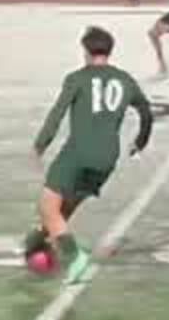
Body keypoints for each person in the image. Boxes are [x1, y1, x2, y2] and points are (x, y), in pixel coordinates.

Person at [26, 25, 153, 284]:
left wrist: (40, 145)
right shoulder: (125, 80)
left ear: (85, 50)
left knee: (48, 207)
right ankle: (42, 240)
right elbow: (146, 113)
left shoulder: (77, 78)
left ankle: (74, 258)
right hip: (107, 157)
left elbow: (56, 114)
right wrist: (140, 141)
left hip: (78, 151)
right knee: (65, 207)